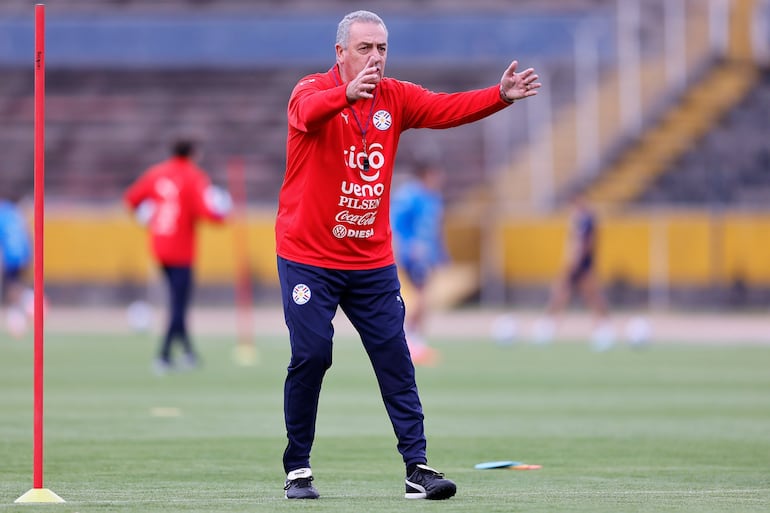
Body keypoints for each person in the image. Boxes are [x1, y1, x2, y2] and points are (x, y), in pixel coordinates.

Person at [275, 10, 540, 500]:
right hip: (308, 255)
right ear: (340, 53)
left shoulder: (394, 98)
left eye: (381, 48)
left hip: (370, 260)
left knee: (396, 357)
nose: (374, 57)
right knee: (312, 354)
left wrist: (500, 96)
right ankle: (298, 467)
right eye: (364, 48)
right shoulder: (310, 89)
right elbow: (304, 115)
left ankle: (417, 468)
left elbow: (447, 108)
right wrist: (344, 96)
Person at [124, 138, 232, 374]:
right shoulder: (194, 176)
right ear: (193, 153)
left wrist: (147, 216)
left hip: (159, 246)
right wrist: (224, 214)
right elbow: (205, 211)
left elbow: (131, 199)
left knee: (177, 300)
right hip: (181, 250)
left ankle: (188, 352)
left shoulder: (156, 173)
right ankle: (163, 355)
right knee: (179, 304)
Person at [531, 193, 614, 350]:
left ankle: (603, 326)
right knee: (570, 293)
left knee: (583, 294)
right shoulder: (581, 219)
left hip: (581, 264)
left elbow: (584, 244)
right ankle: (550, 325)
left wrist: (575, 263)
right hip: (581, 263)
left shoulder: (585, 219)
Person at [391, 162, 448, 366]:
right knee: (420, 298)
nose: (440, 179)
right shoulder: (409, 196)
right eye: (436, 174)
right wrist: (405, 248)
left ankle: (414, 340)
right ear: (426, 174)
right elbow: (395, 224)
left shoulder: (434, 198)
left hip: (427, 255)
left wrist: (442, 255)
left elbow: (435, 229)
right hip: (411, 255)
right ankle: (408, 339)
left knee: (424, 298)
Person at [0, 196, 33, 338]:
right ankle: (26, 306)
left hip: (11, 255)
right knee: (16, 284)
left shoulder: (2, 213)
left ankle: (31, 302)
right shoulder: (15, 212)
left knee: (12, 287)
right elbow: (25, 232)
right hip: (24, 253)